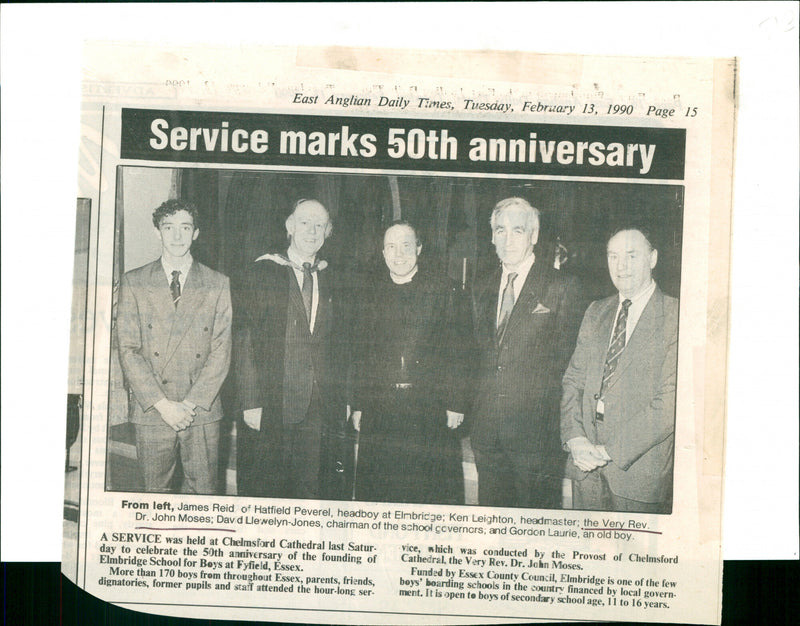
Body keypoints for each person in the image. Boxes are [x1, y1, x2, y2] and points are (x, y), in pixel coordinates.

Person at [470, 197, 583, 508]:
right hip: (487, 433)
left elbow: (569, 366)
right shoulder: (481, 286)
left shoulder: (562, 286)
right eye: (500, 230)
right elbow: (477, 356)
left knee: (535, 526)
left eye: (518, 230)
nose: (508, 240)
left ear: (534, 235)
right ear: (491, 235)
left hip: (536, 438)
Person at [233, 199, 349, 499]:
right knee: (270, 491)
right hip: (273, 402)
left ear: (329, 231)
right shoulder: (262, 272)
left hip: (320, 404)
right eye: (304, 222)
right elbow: (245, 340)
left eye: (320, 225)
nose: (312, 231)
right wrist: (250, 400)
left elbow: (343, 345)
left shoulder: (334, 277)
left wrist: (346, 398)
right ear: (289, 226)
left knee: (313, 491)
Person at [116, 199, 232, 494]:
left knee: (204, 495)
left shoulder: (217, 283)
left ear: (196, 233)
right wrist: (164, 405)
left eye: (185, 227)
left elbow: (221, 350)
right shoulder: (134, 282)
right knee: (154, 495)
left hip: (201, 410)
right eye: (169, 228)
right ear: (158, 232)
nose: (177, 236)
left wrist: (190, 405)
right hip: (154, 408)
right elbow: (128, 349)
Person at [351, 222, 471, 504]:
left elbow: (460, 350)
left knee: (430, 493)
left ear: (419, 248)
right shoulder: (369, 293)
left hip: (429, 409)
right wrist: (357, 403)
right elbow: (360, 353)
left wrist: (456, 402)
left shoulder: (445, 289)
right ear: (382, 253)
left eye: (406, 245)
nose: (399, 254)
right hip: (381, 409)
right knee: (380, 493)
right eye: (391, 247)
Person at [561, 226, 678, 513]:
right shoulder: (596, 311)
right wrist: (574, 437)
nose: (621, 266)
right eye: (613, 256)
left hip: (637, 476)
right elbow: (572, 381)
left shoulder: (677, 316)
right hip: (585, 468)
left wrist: (610, 451)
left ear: (652, 258)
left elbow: (670, 402)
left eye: (631, 255)